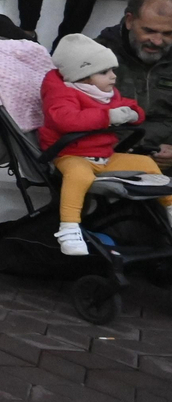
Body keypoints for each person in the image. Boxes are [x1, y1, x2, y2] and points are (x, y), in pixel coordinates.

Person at [40, 34, 172, 256]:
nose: (113, 77)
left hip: (104, 155)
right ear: (83, 77)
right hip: (71, 154)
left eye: (112, 70)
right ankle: (69, 228)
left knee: (145, 163)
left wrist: (133, 113)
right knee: (79, 177)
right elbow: (65, 120)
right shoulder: (62, 94)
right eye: (104, 72)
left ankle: (169, 206)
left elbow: (131, 106)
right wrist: (108, 116)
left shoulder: (106, 92)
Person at [97, 0, 172, 171]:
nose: (156, 41)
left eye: (168, 33)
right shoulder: (95, 56)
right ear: (129, 21)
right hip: (109, 156)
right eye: (149, 31)